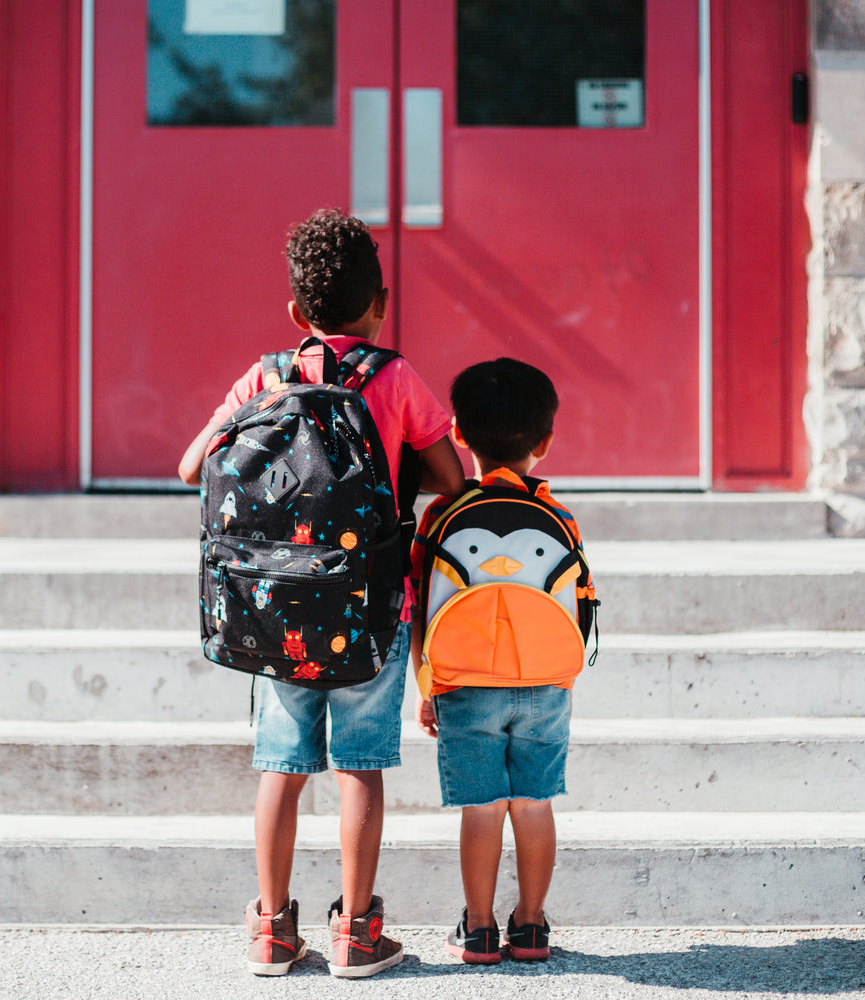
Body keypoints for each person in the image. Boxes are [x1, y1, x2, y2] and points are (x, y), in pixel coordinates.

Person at [178, 209, 464, 978]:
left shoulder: (265, 376)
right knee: (359, 766)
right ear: (383, 303)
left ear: (298, 315)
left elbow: (188, 467)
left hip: (273, 616)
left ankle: (271, 929)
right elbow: (451, 481)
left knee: (280, 765)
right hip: (373, 609)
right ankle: (358, 934)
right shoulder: (394, 377)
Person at [411, 358, 582, 965]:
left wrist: (427, 687)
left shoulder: (440, 518)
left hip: (465, 685)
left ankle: (480, 929)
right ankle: (531, 926)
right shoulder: (559, 519)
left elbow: (425, 609)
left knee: (481, 810)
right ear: (545, 441)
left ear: (458, 432)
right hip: (544, 683)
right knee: (534, 805)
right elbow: (572, 606)